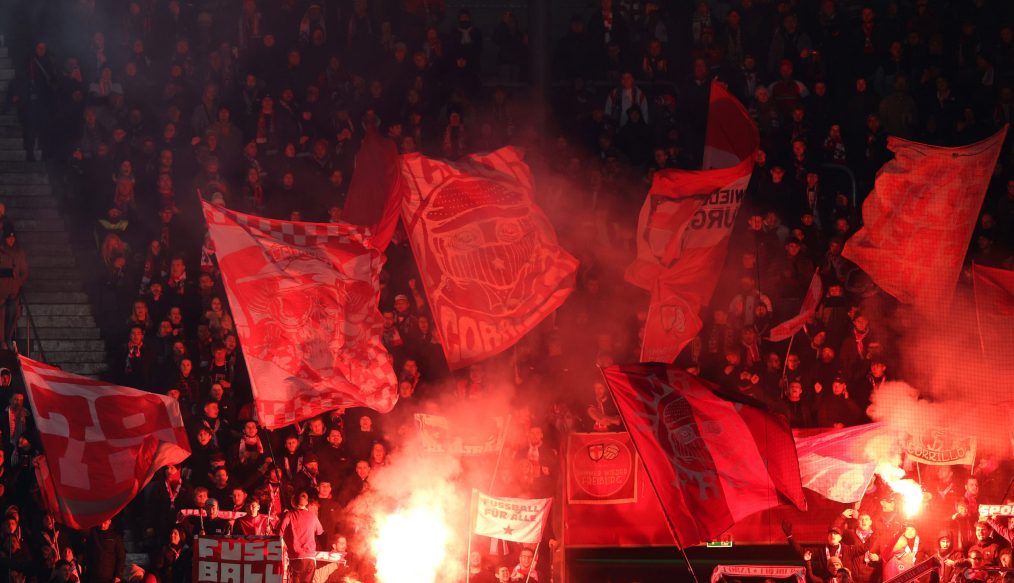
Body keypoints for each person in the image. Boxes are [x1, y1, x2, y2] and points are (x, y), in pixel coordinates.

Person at [278, 491, 323, 583]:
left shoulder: (289, 515)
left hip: (295, 557)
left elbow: (279, 532)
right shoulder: (313, 516)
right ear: (307, 503)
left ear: (293, 502)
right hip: (310, 558)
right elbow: (320, 532)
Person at [0, 227, 27, 349]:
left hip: (13, 292)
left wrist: (18, 284)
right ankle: (2, 342)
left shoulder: (19, 253)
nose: (11, 240)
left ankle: (8, 339)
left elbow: (24, 272)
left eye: (13, 238)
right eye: (8, 238)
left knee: (12, 316)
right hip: (1, 293)